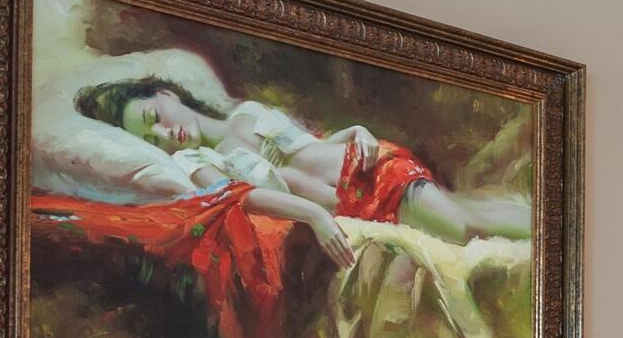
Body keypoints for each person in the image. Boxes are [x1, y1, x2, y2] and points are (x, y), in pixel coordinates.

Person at [91, 79, 530, 245]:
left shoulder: (245, 110)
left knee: (465, 227)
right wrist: (316, 215)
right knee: (466, 219)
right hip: (352, 205)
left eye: (154, 119)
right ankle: (549, 225)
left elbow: (313, 144)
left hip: (371, 167)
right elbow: (244, 197)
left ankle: (550, 228)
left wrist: (358, 129)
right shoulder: (193, 161)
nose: (166, 134)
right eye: (152, 138)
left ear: (166, 95)